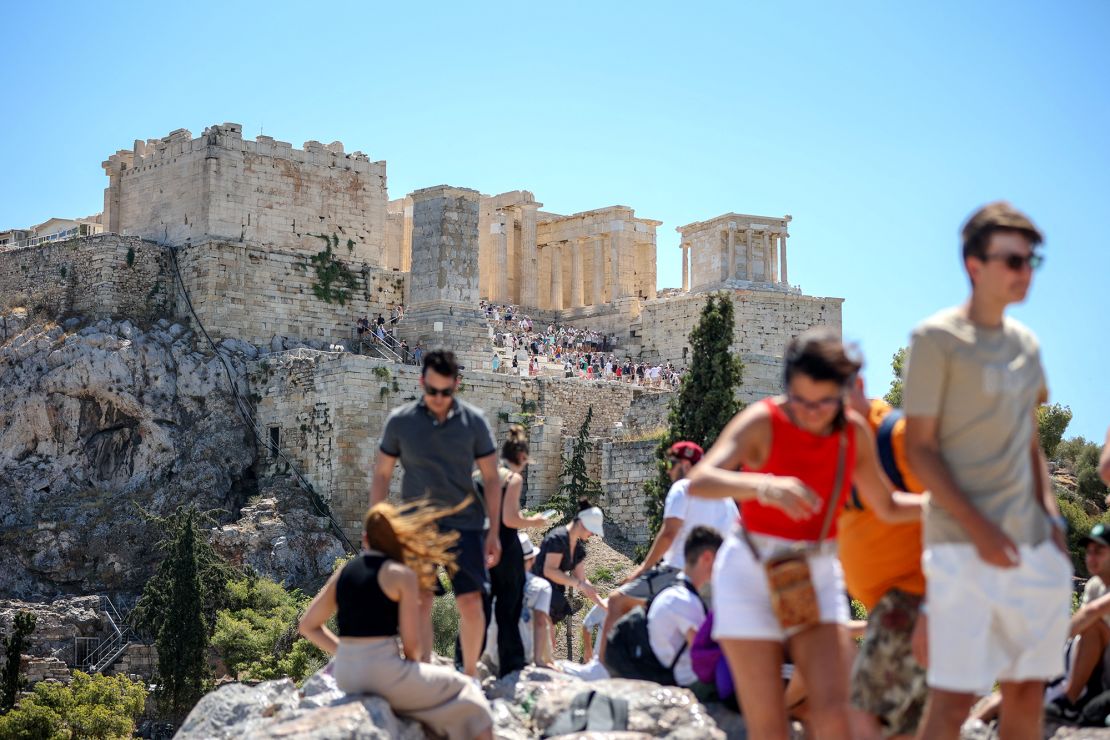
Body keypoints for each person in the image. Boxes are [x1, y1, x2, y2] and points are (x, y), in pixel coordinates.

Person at [688, 329, 922, 740]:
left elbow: (886, 504)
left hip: (812, 570)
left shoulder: (854, 435)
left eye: (825, 402)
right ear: (786, 389)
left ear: (844, 393)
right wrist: (764, 486)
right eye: (801, 401)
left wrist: (944, 508)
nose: (812, 413)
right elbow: (701, 480)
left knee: (834, 712)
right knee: (769, 727)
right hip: (749, 571)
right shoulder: (763, 420)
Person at [903, 202, 1071, 740]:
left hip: (1031, 546)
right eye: (1013, 259)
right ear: (975, 264)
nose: (1025, 272)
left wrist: (1053, 528)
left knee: (1026, 693)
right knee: (953, 702)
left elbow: (1028, 442)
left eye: (1031, 260)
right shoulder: (936, 340)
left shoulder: (1027, 345)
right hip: (961, 547)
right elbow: (921, 450)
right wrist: (981, 529)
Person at [298, 501, 494, 740]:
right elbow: (412, 646)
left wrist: (345, 653)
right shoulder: (401, 575)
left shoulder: (345, 571)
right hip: (383, 673)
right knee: (467, 691)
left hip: (346, 674)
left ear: (365, 537)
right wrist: (414, 669)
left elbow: (308, 625)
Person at [369, 350, 504, 678]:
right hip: (417, 525)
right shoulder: (401, 421)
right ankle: (422, 674)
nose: (439, 399)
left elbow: (491, 477)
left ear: (456, 385)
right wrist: (376, 524)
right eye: (432, 391)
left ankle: (470, 675)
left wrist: (495, 532)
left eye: (446, 392)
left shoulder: (474, 422)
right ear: (421, 383)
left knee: (472, 603)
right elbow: (382, 473)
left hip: (466, 525)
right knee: (420, 601)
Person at [840, 375, 929, 739]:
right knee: (902, 727)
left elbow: (954, 517)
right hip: (889, 608)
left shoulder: (899, 436)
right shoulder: (840, 443)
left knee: (863, 716)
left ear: (857, 384)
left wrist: (931, 610)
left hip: (913, 602)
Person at [598, 440, 737, 663]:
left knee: (616, 601)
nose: (669, 470)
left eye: (671, 464)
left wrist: (642, 569)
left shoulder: (683, 487)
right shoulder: (726, 498)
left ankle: (601, 667)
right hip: (715, 578)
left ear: (685, 464)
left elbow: (669, 533)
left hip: (678, 573)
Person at [479, 425, 549, 677]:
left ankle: (467, 659)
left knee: (481, 608)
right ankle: (511, 664)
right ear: (521, 457)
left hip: (479, 547)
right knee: (509, 607)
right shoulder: (513, 478)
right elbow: (509, 519)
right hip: (506, 549)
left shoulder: (482, 475)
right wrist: (535, 522)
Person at [1045, 523, 1110, 721]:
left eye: (1099, 551)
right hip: (1100, 668)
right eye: (1089, 552)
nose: (1091, 557)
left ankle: (1069, 699)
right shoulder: (1094, 585)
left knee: (1092, 625)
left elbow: (1092, 613)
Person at [647, 526, 722, 688]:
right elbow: (703, 655)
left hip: (666, 674)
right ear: (707, 558)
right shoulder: (685, 601)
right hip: (687, 682)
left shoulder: (671, 592)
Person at [532, 500, 607, 626]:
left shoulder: (577, 548)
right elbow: (549, 570)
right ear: (582, 523)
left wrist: (602, 604)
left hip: (551, 600)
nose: (593, 534)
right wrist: (579, 584)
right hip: (536, 597)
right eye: (592, 529)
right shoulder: (558, 538)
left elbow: (582, 580)